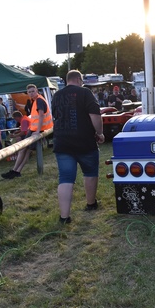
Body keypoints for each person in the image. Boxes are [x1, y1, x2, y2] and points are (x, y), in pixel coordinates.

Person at [51, 70, 105, 224]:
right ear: (78, 80)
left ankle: (64, 217)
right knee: (90, 172)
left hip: (62, 141)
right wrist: (100, 133)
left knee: (66, 178)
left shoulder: (56, 96)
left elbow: (56, 117)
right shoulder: (84, 93)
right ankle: (91, 204)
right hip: (84, 141)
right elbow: (95, 116)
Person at [1, 84, 53, 179]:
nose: (31, 93)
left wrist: (37, 131)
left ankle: (15, 171)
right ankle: (16, 171)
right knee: (25, 150)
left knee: (24, 150)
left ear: (37, 90)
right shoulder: (36, 101)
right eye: (29, 92)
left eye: (33, 91)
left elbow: (41, 116)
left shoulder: (39, 101)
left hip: (36, 130)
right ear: (27, 93)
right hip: (34, 129)